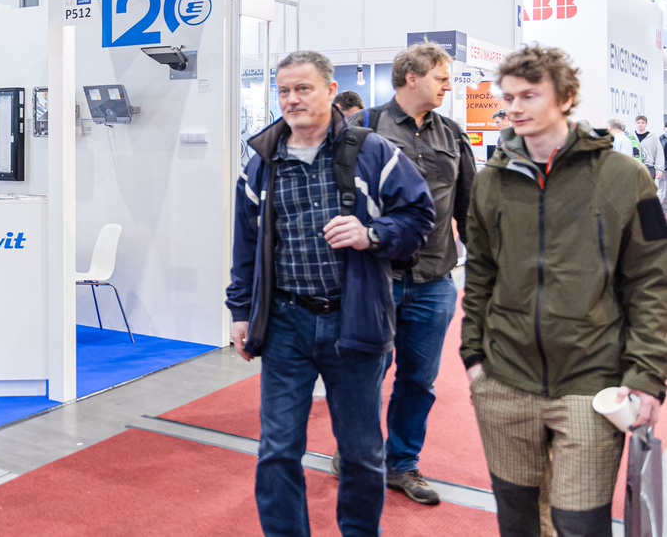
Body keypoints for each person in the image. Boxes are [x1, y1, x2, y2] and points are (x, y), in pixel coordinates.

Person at [228, 50, 435, 537]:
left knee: (362, 452)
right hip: (285, 323)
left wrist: (372, 234)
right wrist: (240, 310)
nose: (292, 99)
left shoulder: (372, 152)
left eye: (303, 88)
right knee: (277, 449)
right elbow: (246, 244)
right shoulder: (261, 162)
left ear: (329, 90)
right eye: (284, 91)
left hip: (353, 321)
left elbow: (419, 216)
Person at [463, 44, 667, 536]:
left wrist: (647, 373)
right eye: (508, 97)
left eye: (529, 95)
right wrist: (474, 359)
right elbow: (480, 274)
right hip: (504, 379)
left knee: (580, 523)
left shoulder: (626, 177)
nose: (514, 107)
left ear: (566, 98)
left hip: (591, 380)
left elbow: (652, 280)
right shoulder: (491, 181)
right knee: (517, 518)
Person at [343, 43, 475, 505]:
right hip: (373, 278)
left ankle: (402, 464)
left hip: (434, 279)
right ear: (412, 77)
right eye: (441, 77)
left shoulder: (453, 134)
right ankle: (356, 453)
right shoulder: (363, 126)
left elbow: (468, 207)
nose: (448, 86)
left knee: (419, 380)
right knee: (364, 375)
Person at [634, 115, 662, 189]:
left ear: (646, 124)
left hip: (649, 167)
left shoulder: (653, 138)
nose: (640, 124)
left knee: (648, 189)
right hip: (635, 166)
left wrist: (659, 169)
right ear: (635, 124)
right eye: (638, 123)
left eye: (642, 123)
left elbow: (659, 153)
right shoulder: (631, 137)